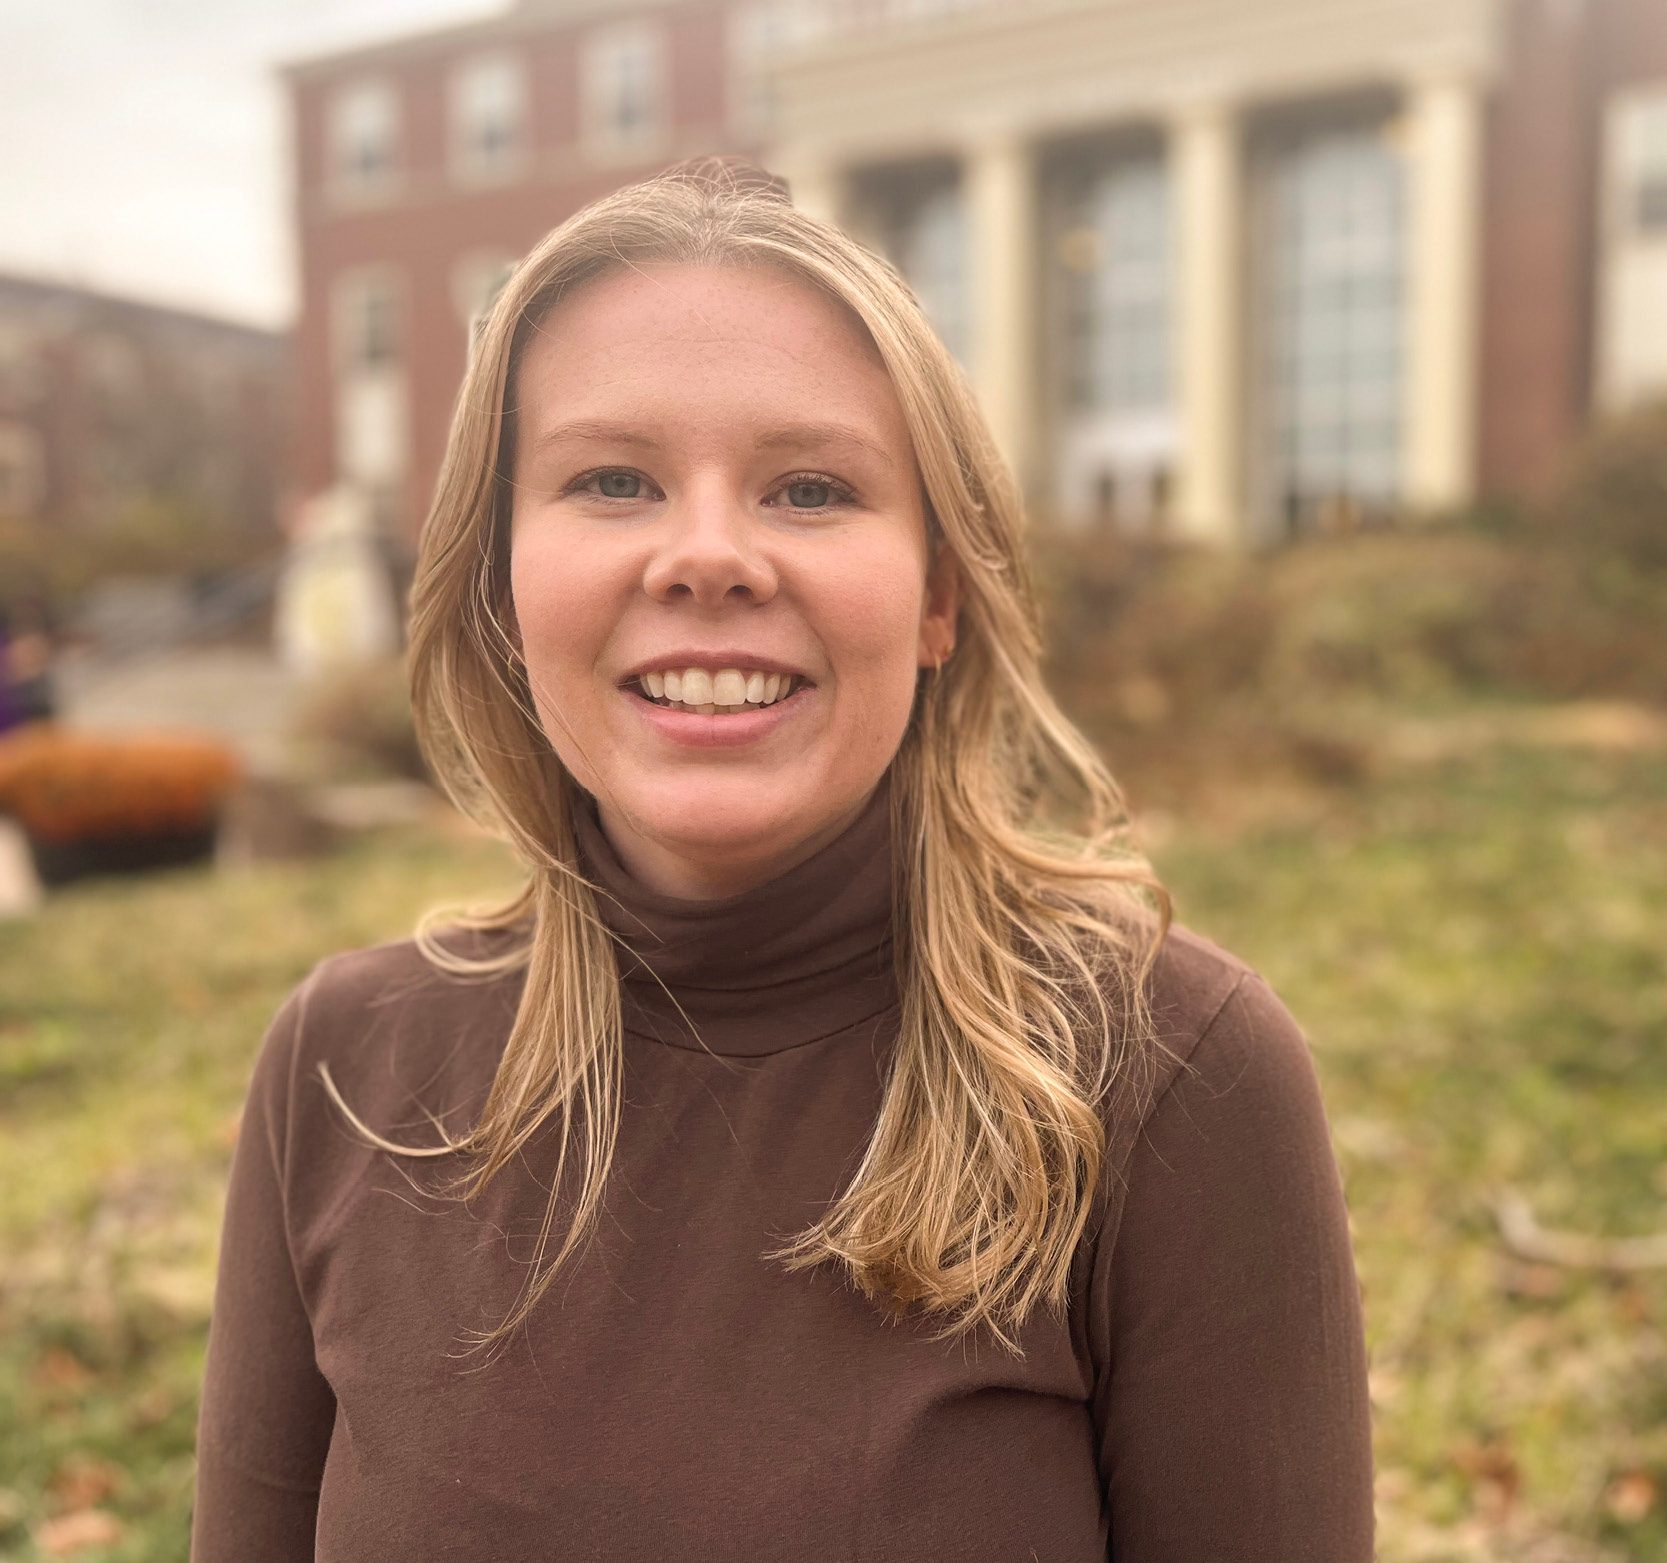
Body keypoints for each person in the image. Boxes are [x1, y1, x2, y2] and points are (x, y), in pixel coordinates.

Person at [192, 160, 1372, 1562]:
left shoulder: (1172, 1074)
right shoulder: (344, 1067)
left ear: (938, 593)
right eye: (613, 479)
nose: (707, 557)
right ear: (502, 578)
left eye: (810, 488)